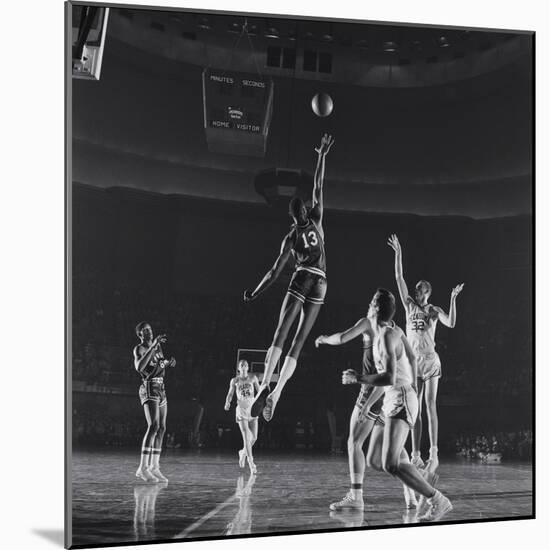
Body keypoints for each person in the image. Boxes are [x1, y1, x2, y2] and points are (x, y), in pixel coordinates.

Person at [244, 134, 335, 422]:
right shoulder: (317, 219)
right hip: (321, 282)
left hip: (301, 279)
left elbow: (274, 272)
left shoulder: (291, 237)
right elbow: (319, 185)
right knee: (298, 341)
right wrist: (321, 155)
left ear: (291, 217)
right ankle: (278, 391)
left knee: (280, 335)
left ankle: (265, 385)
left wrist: (255, 293)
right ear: (306, 211)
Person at [347, 288, 452, 522]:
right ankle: (424, 475)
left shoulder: (385, 336)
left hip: (400, 399)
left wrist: (358, 378)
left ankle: (438, 499)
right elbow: (411, 360)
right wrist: (369, 405)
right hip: (391, 399)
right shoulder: (392, 332)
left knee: (390, 463)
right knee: (375, 459)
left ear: (374, 310)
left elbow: (389, 378)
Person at [315, 316, 417, 511]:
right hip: (390, 393)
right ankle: (410, 492)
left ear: (377, 307)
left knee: (354, 443)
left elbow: (342, 337)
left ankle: (356, 496)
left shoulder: (369, 322)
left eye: (372, 303)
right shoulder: (395, 329)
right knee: (397, 448)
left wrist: (324, 338)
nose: (369, 306)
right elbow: (410, 358)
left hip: (373, 389)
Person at [387, 234, 464, 472]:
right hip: (413, 363)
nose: (415, 291)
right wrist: (398, 253)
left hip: (430, 361)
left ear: (426, 293)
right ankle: (416, 454)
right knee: (415, 407)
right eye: (416, 289)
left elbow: (451, 323)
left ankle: (434, 453)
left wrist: (452, 299)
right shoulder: (409, 305)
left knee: (431, 405)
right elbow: (399, 277)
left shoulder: (433, 310)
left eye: (419, 290)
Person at [133, 322, 176, 482]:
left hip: (161, 386)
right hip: (149, 386)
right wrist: (153, 347)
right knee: (153, 426)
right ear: (140, 335)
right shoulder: (139, 349)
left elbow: (159, 364)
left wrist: (168, 363)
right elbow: (140, 367)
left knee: (162, 427)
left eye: (150, 329)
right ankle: (142, 468)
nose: (149, 332)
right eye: (145, 330)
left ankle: (154, 466)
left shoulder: (157, 347)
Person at [225, 360, 261, 473]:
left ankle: (243, 452)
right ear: (239, 368)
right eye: (242, 364)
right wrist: (228, 402)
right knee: (246, 437)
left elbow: (260, 392)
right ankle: (251, 463)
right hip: (241, 410)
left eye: (245, 364)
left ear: (248, 367)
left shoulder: (253, 378)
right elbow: (230, 393)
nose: (244, 365)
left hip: (252, 409)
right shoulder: (235, 380)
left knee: (254, 437)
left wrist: (263, 404)